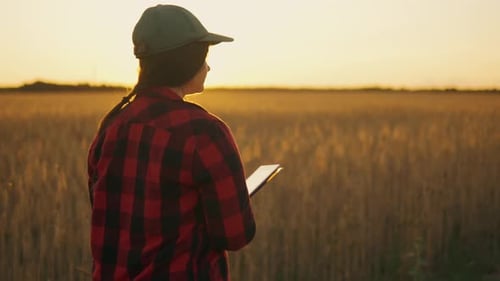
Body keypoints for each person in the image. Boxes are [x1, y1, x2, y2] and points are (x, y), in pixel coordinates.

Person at [87, 5, 256, 281]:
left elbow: (108, 213)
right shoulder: (204, 132)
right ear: (186, 61)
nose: (208, 66)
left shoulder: (112, 127)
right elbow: (235, 234)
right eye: (203, 56)